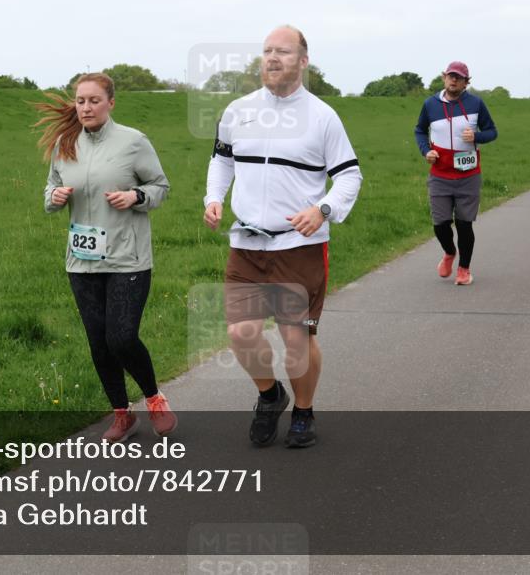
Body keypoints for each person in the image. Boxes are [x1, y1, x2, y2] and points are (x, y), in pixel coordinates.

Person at [203, 26, 362, 448]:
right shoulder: (238, 111)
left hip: (299, 246)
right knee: (241, 333)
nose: (272, 58)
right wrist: (214, 198)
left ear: (303, 62)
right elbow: (222, 162)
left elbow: (349, 177)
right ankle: (270, 396)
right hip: (247, 244)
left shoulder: (323, 117)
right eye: (267, 51)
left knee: (297, 338)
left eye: (283, 52)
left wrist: (322, 209)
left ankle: (304, 412)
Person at [39, 73, 176, 443]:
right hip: (82, 261)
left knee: (121, 337)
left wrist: (136, 197)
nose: (85, 107)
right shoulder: (65, 143)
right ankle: (121, 415)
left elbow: (160, 187)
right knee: (98, 343)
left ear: (111, 103)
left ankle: (154, 398)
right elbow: (50, 189)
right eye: (80, 101)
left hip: (127, 259)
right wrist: (54, 198)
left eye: (94, 100)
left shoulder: (133, 142)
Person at [414, 61, 498, 285]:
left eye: (459, 77)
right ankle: (450, 252)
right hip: (440, 174)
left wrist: (477, 137)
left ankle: (464, 269)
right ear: (444, 77)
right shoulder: (430, 104)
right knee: (440, 224)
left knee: (464, 224)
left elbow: (492, 132)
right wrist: (426, 151)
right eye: (451, 76)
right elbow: (420, 130)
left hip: (468, 175)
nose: (454, 80)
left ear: (466, 82)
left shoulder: (476, 104)